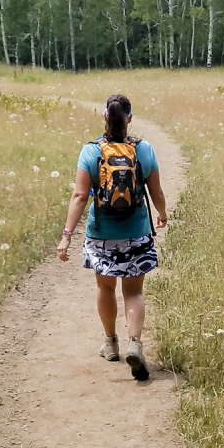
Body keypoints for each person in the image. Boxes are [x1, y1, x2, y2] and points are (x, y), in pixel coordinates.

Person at [57, 93, 168, 380]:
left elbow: (80, 195)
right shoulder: (144, 150)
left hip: (101, 235)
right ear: (130, 118)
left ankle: (110, 343)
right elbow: (156, 192)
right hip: (136, 233)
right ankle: (135, 343)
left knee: (105, 288)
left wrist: (67, 235)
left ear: (105, 116)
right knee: (133, 292)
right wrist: (162, 214)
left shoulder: (91, 151)